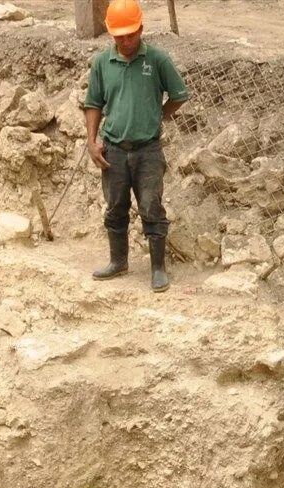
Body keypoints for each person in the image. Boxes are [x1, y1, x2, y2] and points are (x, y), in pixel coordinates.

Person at [82, 0, 188, 293]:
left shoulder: (157, 60)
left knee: (152, 207)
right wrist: (92, 143)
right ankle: (119, 262)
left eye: (130, 34)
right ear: (111, 33)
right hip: (114, 150)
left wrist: (159, 115)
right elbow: (93, 103)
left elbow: (179, 94)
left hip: (148, 150)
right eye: (119, 36)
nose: (126, 41)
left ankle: (157, 269)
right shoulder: (103, 63)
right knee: (115, 207)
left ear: (141, 28)